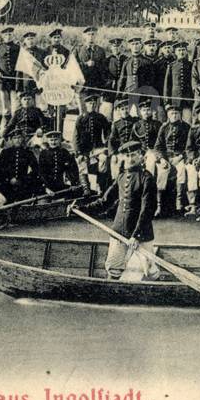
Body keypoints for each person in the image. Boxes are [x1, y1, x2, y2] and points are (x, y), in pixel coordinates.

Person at [81, 140, 159, 281]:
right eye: (127, 155)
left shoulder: (147, 178)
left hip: (141, 233)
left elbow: (147, 210)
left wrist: (136, 235)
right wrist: (81, 209)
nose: (130, 158)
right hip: (118, 231)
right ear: (123, 157)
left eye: (134, 154)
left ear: (141, 156)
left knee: (150, 270)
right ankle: (110, 296)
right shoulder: (121, 177)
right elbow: (105, 202)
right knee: (113, 267)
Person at [153, 103, 192, 216]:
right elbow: (157, 147)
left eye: (176, 113)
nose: (174, 115)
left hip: (180, 157)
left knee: (181, 172)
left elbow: (189, 147)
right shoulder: (164, 127)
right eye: (171, 113)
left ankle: (179, 202)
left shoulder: (186, 127)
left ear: (180, 114)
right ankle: (159, 205)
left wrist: (180, 157)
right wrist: (161, 159)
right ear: (168, 115)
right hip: (166, 157)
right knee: (162, 172)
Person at [73, 94, 111, 193]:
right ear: (86, 104)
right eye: (90, 103)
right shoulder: (81, 118)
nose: (92, 105)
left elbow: (108, 132)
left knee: (103, 159)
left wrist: (106, 145)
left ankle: (101, 186)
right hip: (84, 149)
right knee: (82, 163)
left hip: (98, 148)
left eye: (94, 103)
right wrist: (78, 152)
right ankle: (86, 188)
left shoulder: (101, 117)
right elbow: (76, 136)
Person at [0, 128, 42, 203]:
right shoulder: (5, 153)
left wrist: (23, 179)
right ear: (12, 140)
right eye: (15, 138)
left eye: (19, 137)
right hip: (7, 185)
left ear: (23, 139)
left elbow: (36, 170)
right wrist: (9, 179)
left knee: (24, 204)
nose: (17, 140)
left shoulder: (28, 153)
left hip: (23, 185)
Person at [75, 26, 110, 109]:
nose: (91, 37)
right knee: (83, 113)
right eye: (89, 34)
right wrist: (86, 64)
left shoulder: (101, 51)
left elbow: (104, 68)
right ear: (84, 36)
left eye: (93, 34)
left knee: (95, 112)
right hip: (82, 87)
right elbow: (73, 67)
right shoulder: (78, 50)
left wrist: (96, 64)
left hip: (96, 86)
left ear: (96, 36)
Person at [163, 40, 194, 124]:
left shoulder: (191, 65)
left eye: (183, 50)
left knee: (187, 122)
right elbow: (167, 85)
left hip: (187, 100)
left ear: (186, 51)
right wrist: (167, 102)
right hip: (175, 101)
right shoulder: (171, 66)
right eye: (179, 50)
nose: (181, 52)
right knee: (174, 123)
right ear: (175, 52)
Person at [107, 97, 138, 179]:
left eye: (127, 108)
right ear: (119, 111)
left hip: (134, 150)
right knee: (115, 163)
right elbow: (111, 140)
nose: (125, 111)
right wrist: (113, 154)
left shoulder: (136, 121)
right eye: (122, 109)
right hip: (122, 151)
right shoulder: (116, 124)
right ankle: (116, 184)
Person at [0, 27, 21, 114]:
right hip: (2, 81)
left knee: (16, 106)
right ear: (2, 36)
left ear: (13, 35)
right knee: (4, 107)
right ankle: (5, 125)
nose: (8, 36)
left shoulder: (18, 48)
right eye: (6, 34)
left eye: (10, 34)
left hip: (15, 81)